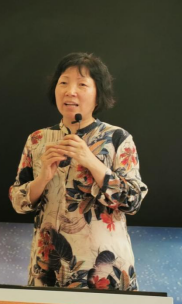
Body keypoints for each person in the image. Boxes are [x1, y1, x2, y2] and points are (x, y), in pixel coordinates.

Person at [9, 53, 148, 290]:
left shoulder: (117, 138)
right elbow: (18, 202)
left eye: (82, 84)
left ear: (98, 94)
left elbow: (132, 201)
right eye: (63, 82)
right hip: (49, 265)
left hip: (103, 269)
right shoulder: (37, 139)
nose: (70, 91)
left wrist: (91, 161)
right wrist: (42, 178)